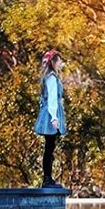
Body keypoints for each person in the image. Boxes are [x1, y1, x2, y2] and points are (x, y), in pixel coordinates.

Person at [34, 49, 67, 188]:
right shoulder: (51, 78)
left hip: (49, 112)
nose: (61, 64)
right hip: (50, 114)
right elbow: (52, 99)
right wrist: (54, 117)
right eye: (59, 61)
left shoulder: (49, 77)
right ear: (53, 62)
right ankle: (47, 179)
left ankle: (48, 178)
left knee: (49, 147)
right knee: (49, 147)